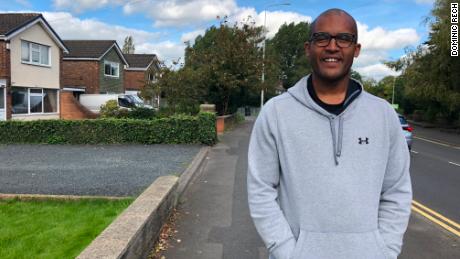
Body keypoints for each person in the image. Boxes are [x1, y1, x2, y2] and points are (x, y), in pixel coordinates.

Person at [247, 8, 412, 259]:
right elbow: (261, 190)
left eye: (343, 39)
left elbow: (396, 191)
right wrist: (286, 252)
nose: (332, 46)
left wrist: (385, 251)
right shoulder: (276, 113)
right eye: (322, 38)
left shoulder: (383, 115)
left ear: (356, 49)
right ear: (308, 48)